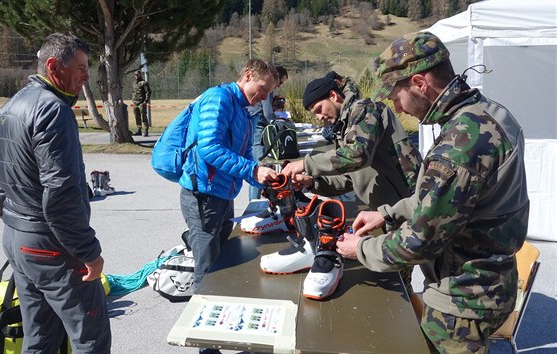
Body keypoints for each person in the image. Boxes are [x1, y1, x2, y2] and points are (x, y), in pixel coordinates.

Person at [336, 31, 529, 353]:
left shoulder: (459, 145)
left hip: (462, 300)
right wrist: (386, 213)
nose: (397, 108)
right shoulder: (489, 114)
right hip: (492, 283)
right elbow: (451, 200)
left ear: (419, 83)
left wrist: (362, 248)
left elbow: (419, 242)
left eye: (396, 96)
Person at [0, 33, 111, 353]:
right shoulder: (53, 110)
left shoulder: (7, 108)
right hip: (50, 245)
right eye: (81, 67)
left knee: (39, 339)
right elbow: (61, 194)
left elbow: (1, 186)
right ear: (54, 66)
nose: (87, 75)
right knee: (90, 338)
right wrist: (89, 251)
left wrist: (19, 228)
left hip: (18, 239)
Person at [278, 74, 422, 298]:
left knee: (398, 288)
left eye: (318, 109)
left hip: (403, 212)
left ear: (334, 95)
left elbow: (357, 156)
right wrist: (312, 182)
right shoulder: (346, 127)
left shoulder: (365, 109)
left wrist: (305, 164)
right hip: (383, 215)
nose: (319, 117)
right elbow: (350, 177)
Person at [179, 59, 279, 293]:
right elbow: (210, 148)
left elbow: (243, 153)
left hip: (223, 195)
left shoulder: (243, 109)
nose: (265, 98)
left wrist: (261, 180)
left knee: (222, 261)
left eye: (269, 93)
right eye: (263, 89)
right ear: (247, 76)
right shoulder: (219, 98)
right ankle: (199, 320)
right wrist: (253, 170)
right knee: (207, 272)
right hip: (203, 196)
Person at [248, 65, 288, 200]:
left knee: (258, 165)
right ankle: (254, 202)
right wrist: (279, 120)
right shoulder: (268, 89)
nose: (279, 86)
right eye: (280, 82)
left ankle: (257, 199)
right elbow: (267, 113)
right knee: (260, 167)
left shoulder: (270, 90)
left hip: (258, 125)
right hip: (258, 127)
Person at [132, 70, 151, 136]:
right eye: (135, 75)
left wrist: (145, 101)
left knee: (144, 116)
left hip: (141, 102)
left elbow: (148, 92)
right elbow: (133, 93)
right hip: (135, 103)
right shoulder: (134, 83)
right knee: (137, 117)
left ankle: (146, 130)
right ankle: (139, 130)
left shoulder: (144, 83)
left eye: (137, 74)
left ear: (140, 75)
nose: (136, 76)